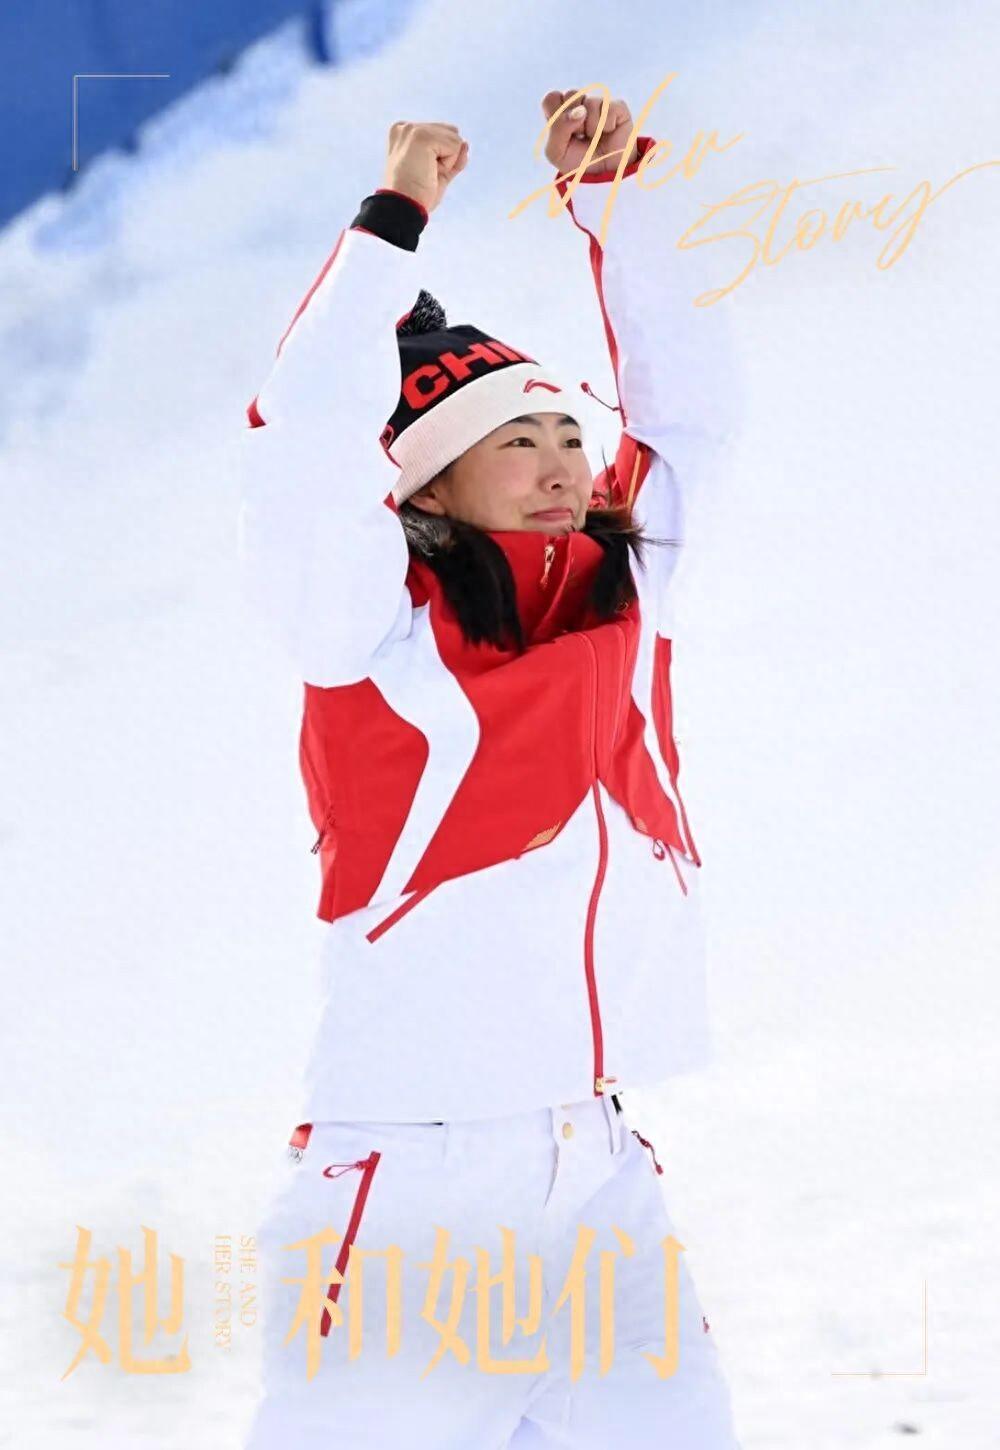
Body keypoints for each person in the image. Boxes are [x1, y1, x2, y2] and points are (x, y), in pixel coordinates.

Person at [237, 87, 743, 1449]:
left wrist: (617, 197)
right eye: (513, 442)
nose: (560, 461)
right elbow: (303, 448)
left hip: (596, 1169)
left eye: (568, 433)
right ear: (424, 490)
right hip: (416, 1184)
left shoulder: (627, 596)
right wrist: (390, 223)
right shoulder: (371, 638)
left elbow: (693, 416)